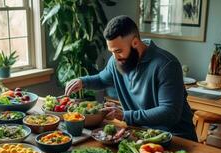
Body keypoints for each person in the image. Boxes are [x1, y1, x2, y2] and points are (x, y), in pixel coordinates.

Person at [65, 15, 197, 141]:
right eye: (112, 52)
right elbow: (101, 79)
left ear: (135, 42)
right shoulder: (116, 61)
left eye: (118, 51)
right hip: (140, 134)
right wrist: (82, 81)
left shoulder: (166, 65)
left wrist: (125, 115)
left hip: (175, 137)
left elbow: (169, 113)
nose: (115, 57)